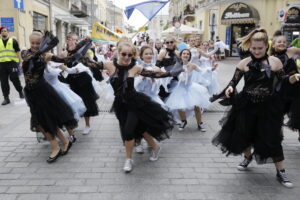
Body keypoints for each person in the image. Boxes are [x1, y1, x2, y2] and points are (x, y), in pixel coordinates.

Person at [211, 28, 300, 188]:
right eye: (254, 48)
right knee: (243, 134)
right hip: (246, 105)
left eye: (260, 48)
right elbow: (233, 82)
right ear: (250, 46)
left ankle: (281, 172)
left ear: (266, 46)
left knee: (272, 138)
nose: (257, 51)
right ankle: (247, 157)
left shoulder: (275, 62)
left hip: (268, 107)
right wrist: (230, 89)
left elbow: (283, 81)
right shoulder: (244, 63)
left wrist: (293, 77)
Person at [80, 42, 182, 172]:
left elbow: (155, 75)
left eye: (130, 55)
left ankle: (128, 159)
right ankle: (155, 147)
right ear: (117, 52)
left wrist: (171, 73)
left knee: (128, 131)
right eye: (123, 54)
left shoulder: (136, 68)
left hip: (135, 103)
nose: (127, 57)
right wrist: (80, 52)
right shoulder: (109, 65)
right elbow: (90, 64)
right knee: (140, 128)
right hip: (120, 105)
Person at [21, 31, 76, 163]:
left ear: (42, 43)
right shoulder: (25, 52)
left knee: (44, 121)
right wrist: (41, 51)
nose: (35, 45)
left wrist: (74, 53)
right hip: (30, 92)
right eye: (33, 43)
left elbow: (63, 61)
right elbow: (29, 57)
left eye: (38, 43)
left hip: (42, 91)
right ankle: (64, 142)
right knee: (41, 122)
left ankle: (55, 147)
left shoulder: (46, 55)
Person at [55, 33, 99, 135]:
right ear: (67, 40)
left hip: (83, 80)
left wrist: (83, 64)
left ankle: (88, 125)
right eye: (71, 39)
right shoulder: (64, 53)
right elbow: (57, 63)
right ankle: (74, 123)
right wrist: (66, 69)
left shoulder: (81, 51)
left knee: (86, 101)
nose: (73, 41)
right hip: (72, 80)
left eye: (75, 40)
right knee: (74, 102)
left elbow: (88, 62)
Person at [165, 49, 211, 131]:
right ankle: (183, 121)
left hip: (191, 88)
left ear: (189, 56)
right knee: (179, 106)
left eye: (187, 54)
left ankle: (200, 123)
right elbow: (171, 74)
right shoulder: (177, 65)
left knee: (197, 106)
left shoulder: (192, 65)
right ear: (181, 55)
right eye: (184, 53)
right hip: (180, 88)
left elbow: (202, 71)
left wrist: (210, 69)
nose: (186, 55)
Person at [271, 34, 300, 142]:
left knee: (298, 112)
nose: (282, 43)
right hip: (282, 89)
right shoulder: (271, 59)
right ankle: (278, 136)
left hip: (296, 87)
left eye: (284, 42)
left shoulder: (291, 51)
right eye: (279, 42)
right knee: (277, 115)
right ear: (273, 45)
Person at [0, 26, 24, 105]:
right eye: (2, 31)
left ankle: (20, 92)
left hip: (12, 63)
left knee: (14, 78)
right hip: (2, 64)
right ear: (1, 33)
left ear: (8, 32)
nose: (4, 32)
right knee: (3, 81)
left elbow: (18, 52)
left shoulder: (13, 41)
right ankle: (6, 98)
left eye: (5, 31)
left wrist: (20, 62)